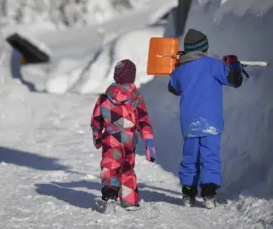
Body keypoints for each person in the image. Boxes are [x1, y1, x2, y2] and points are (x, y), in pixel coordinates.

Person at [168, 28, 243, 208]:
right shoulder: (214, 65)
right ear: (204, 48)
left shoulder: (180, 71)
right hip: (211, 122)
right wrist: (234, 65)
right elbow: (235, 80)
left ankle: (188, 193)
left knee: (190, 156)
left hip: (190, 123)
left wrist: (179, 68)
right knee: (209, 156)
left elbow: (173, 88)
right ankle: (209, 194)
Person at [90, 59, 156, 210]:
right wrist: (149, 142)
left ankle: (110, 194)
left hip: (110, 138)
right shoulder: (136, 98)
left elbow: (96, 120)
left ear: (115, 76)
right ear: (132, 77)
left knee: (110, 167)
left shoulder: (105, 97)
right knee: (126, 168)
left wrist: (97, 137)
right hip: (128, 140)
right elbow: (143, 120)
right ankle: (129, 201)